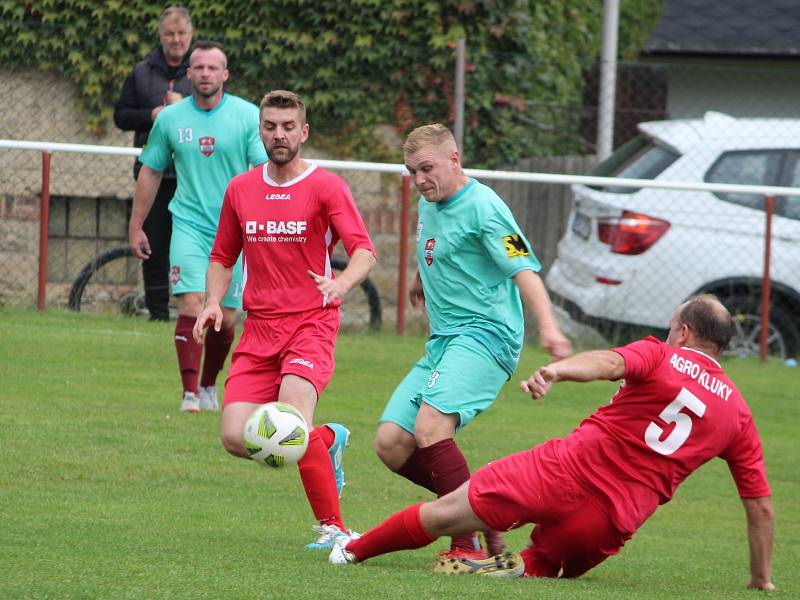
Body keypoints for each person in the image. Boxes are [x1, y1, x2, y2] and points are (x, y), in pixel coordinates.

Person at [329, 295, 775, 591]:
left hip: (562, 471)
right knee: (544, 565)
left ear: (683, 333)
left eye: (671, 326)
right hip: (609, 521)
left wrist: (558, 370)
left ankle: (350, 551)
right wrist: (761, 580)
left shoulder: (662, 354)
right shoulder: (737, 413)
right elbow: (760, 507)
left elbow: (606, 361)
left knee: (445, 514)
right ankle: (520, 564)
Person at [372, 124, 572, 564]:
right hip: (444, 341)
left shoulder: (485, 207)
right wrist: (422, 279)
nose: (420, 179)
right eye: (412, 172)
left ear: (455, 159)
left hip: (487, 335)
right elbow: (439, 245)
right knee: (390, 443)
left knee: (429, 429)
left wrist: (550, 328)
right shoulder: (431, 202)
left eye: (427, 168)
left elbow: (523, 269)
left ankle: (466, 545)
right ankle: (485, 512)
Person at [192, 90, 377, 549]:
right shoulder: (241, 189)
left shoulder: (326, 187)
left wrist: (341, 285)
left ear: (304, 132)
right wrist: (214, 300)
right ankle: (328, 441)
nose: (280, 134)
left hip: (311, 323)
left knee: (291, 419)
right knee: (237, 438)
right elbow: (222, 255)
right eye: (271, 126)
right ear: (260, 130)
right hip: (259, 328)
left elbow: (364, 251)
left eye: (288, 126)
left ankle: (334, 529)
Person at [128, 41, 267, 413]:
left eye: (212, 68)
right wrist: (136, 224)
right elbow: (151, 170)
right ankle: (189, 394)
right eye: (198, 68)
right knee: (191, 302)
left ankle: (208, 385)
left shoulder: (248, 116)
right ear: (188, 74)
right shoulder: (171, 120)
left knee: (225, 319)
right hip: (188, 224)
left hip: (236, 231)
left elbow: (262, 174)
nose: (205, 74)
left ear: (225, 74)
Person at [114, 6, 194, 321]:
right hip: (154, 173)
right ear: (161, 37)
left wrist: (186, 107)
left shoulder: (202, 71)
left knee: (193, 246)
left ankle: (195, 311)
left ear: (190, 36)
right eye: (169, 34)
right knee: (155, 245)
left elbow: (217, 111)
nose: (176, 40)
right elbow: (120, 116)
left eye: (181, 34)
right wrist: (151, 115)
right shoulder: (141, 72)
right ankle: (158, 314)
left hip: (192, 173)